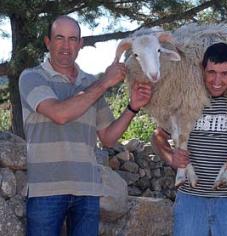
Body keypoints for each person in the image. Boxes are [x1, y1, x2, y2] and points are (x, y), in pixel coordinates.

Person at [19, 15, 152, 236]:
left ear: (80, 44)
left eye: (73, 39)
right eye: (59, 38)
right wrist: (104, 83)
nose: (66, 45)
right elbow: (60, 114)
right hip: (46, 190)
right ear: (47, 42)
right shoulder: (31, 77)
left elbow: (108, 138)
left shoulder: (90, 83)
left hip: (87, 190)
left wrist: (133, 107)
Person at [151, 42, 227, 236]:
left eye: (224, 73)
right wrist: (171, 157)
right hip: (190, 201)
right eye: (211, 72)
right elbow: (158, 136)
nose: (217, 80)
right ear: (202, 70)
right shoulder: (188, 101)